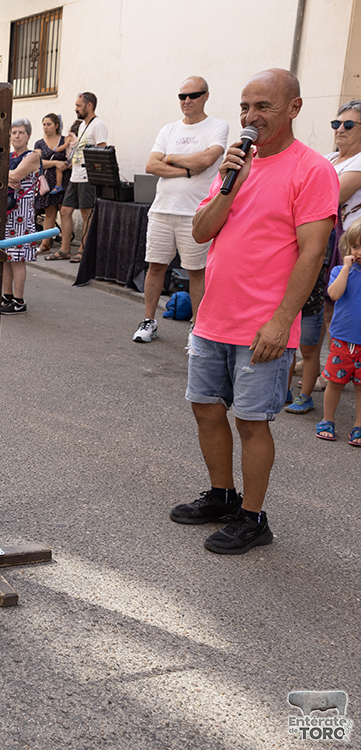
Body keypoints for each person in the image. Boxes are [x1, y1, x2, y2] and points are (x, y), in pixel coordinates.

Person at [170, 68, 339, 555]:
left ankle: (253, 517)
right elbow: (202, 232)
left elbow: (312, 254)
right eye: (245, 107)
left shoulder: (312, 170)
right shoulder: (235, 167)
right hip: (213, 318)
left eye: (262, 106)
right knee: (205, 410)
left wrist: (283, 320)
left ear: (294, 108)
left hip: (264, 325)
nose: (250, 117)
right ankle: (223, 496)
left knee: (251, 421)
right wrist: (232, 182)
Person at [132, 77, 229, 343]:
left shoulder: (217, 126)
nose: (187, 100)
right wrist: (188, 169)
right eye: (182, 96)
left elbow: (209, 159)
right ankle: (149, 320)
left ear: (206, 96)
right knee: (155, 267)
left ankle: (197, 329)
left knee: (196, 271)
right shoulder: (168, 129)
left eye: (194, 95)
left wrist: (171, 157)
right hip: (162, 209)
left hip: (195, 213)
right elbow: (151, 165)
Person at [290, 100, 361, 414]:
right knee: (320, 304)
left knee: (335, 306)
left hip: (345, 242)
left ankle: (336, 366)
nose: (340, 130)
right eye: (336, 124)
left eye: (348, 125)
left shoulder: (358, 162)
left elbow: (331, 195)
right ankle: (318, 365)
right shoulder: (331, 157)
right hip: (325, 237)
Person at [316, 220, 361, 445]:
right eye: (355, 247)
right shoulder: (339, 271)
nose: (359, 252)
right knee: (334, 382)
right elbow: (334, 294)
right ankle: (327, 419)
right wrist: (345, 268)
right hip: (343, 340)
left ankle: (359, 426)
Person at [50, 92, 107, 262]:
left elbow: (101, 152)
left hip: (87, 176)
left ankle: (83, 249)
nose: (76, 109)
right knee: (65, 211)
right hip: (75, 174)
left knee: (86, 213)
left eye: (79, 105)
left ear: (89, 106)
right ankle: (65, 249)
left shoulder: (99, 125)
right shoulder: (82, 126)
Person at [0, 119, 42, 315]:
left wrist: (3, 176)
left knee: (17, 258)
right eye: (14, 132)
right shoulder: (7, 156)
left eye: (21, 132)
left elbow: (16, 176)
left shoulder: (33, 156)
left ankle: (19, 300)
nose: (16, 136)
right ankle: (6, 296)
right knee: (5, 258)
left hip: (21, 215)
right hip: (6, 213)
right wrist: (6, 177)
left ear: (29, 136)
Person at [33, 113, 66, 254]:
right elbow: (37, 162)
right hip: (47, 181)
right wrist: (55, 163)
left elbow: (71, 157)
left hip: (64, 179)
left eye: (49, 124)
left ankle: (65, 245)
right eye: (44, 124)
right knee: (49, 212)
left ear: (56, 125)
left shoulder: (65, 141)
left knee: (65, 212)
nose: (45, 127)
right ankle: (45, 243)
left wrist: (65, 164)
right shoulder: (39, 143)